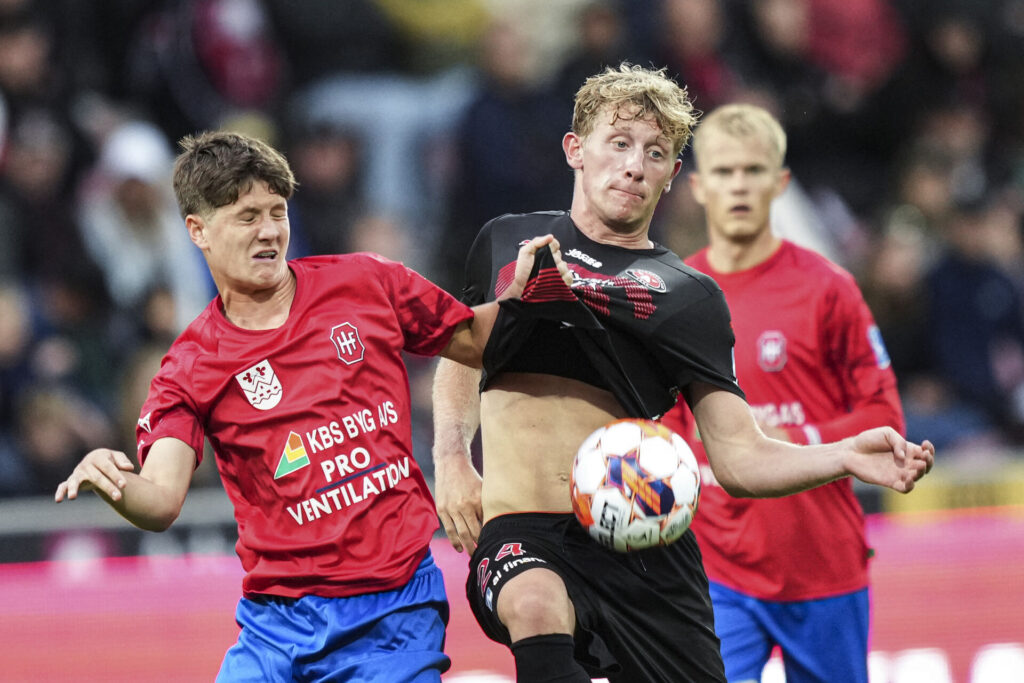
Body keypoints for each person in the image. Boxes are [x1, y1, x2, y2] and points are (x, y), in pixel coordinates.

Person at [432, 63, 934, 683]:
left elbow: (738, 457)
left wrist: (843, 456)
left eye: (656, 152)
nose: (635, 165)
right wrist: (452, 456)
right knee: (535, 604)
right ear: (575, 150)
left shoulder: (687, 295)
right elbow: (458, 346)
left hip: (644, 545)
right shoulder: (508, 242)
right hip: (524, 534)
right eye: (619, 144)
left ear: (672, 175)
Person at [53, 130, 569, 682]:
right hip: (273, 626)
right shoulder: (189, 367)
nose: (271, 231)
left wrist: (521, 297)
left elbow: (472, 341)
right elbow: (159, 500)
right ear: (197, 230)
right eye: (247, 216)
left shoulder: (367, 282)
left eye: (278, 211)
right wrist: (114, 483)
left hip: (391, 608)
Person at [659, 103, 903, 683]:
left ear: (780, 183)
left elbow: (884, 412)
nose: (738, 185)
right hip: (718, 567)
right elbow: (664, 426)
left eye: (753, 170)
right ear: (696, 187)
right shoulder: (674, 297)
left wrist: (793, 441)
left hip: (822, 563)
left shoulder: (829, 289)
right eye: (723, 172)